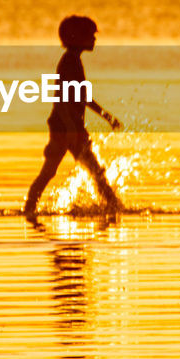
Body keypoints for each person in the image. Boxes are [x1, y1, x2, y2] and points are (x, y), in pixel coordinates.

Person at [23, 15, 124, 215]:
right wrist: (70, 127)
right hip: (66, 127)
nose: (94, 40)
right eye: (90, 36)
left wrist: (106, 116)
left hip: (69, 126)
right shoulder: (69, 62)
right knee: (89, 172)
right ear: (75, 37)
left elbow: (82, 96)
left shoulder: (74, 61)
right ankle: (115, 208)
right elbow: (60, 99)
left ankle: (114, 208)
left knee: (83, 172)